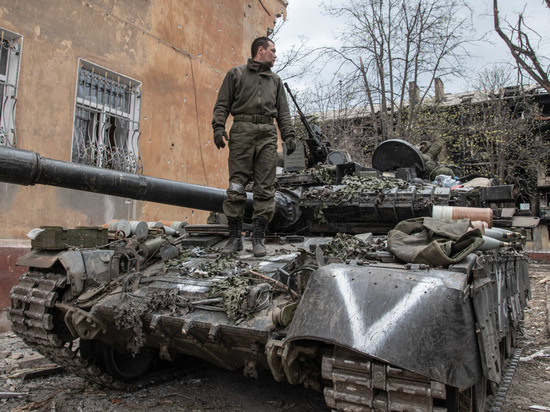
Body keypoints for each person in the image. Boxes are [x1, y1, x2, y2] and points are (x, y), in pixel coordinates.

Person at [212, 36, 296, 257]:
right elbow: (222, 103)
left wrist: (288, 136)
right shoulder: (236, 74)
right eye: (273, 51)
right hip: (242, 131)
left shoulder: (276, 81)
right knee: (237, 186)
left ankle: (258, 239)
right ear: (261, 50)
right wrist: (218, 127)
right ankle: (234, 239)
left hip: (267, 133)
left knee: (265, 188)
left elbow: (284, 113)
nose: (275, 55)